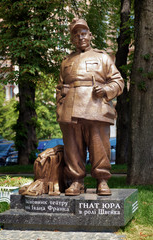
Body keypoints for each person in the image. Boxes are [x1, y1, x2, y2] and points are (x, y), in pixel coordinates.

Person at [56, 18, 124, 196]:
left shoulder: (103, 57)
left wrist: (107, 89)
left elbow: (118, 81)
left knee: (99, 146)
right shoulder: (66, 61)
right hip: (70, 109)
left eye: (83, 33)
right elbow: (59, 87)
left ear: (90, 36)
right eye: (76, 34)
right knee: (73, 147)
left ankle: (102, 180)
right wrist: (59, 108)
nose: (80, 37)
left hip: (95, 107)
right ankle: (76, 181)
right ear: (72, 39)